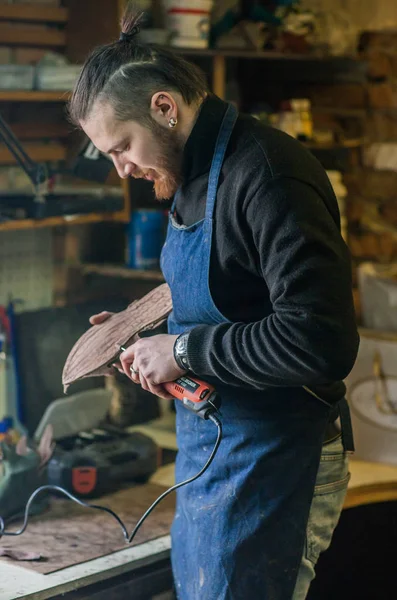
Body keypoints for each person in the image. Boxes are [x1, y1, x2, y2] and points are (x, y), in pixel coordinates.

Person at [68, 4, 359, 599]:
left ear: (165, 108)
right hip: (214, 451)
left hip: (278, 457)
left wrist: (181, 349)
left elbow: (319, 339)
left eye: (122, 147)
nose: (122, 169)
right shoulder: (186, 171)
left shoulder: (269, 175)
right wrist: (139, 327)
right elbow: (230, 291)